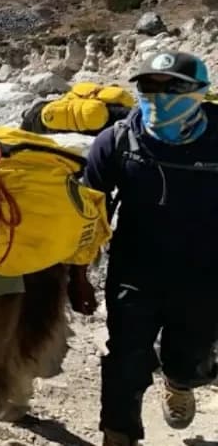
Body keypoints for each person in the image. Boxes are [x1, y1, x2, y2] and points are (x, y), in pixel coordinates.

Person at [82, 49, 218, 446]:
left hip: (206, 272)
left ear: (200, 92)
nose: (158, 97)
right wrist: (78, 275)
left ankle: (180, 381)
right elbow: (92, 211)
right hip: (135, 268)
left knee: (190, 355)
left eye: (172, 86)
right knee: (125, 355)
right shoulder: (117, 141)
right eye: (147, 86)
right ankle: (118, 433)